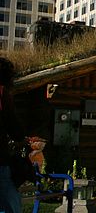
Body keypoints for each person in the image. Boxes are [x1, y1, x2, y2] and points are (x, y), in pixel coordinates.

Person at [0, 57, 25, 213]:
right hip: (0, 159)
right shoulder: (3, 95)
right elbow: (14, 127)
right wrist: (22, 139)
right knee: (10, 199)